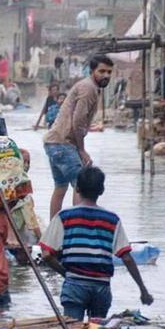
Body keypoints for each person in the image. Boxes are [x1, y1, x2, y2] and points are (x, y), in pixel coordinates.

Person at [39, 166, 153, 320]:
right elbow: (126, 258)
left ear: (77, 189)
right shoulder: (112, 219)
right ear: (101, 190)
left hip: (74, 285)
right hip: (101, 286)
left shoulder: (64, 216)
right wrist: (143, 290)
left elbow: (46, 255)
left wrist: (65, 274)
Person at [43, 54, 113, 219]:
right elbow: (78, 121)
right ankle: (80, 227)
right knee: (81, 186)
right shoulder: (88, 88)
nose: (106, 75)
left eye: (109, 72)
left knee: (60, 187)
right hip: (63, 144)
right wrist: (81, 150)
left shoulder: (88, 87)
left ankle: (54, 232)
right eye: (102, 71)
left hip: (53, 142)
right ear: (92, 71)